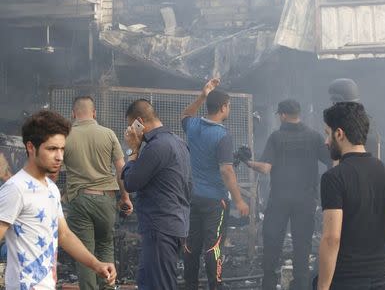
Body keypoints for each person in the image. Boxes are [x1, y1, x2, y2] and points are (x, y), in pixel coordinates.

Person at [0, 110, 116, 289]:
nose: (60, 156)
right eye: (52, 149)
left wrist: (96, 264)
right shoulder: (16, 189)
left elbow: (64, 235)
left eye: (62, 149)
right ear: (31, 147)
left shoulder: (51, 188)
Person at [245, 99, 331, 290]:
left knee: (272, 245)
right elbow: (332, 163)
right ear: (298, 114)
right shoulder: (315, 137)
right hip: (306, 200)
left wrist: (247, 162)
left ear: (282, 115)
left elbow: (266, 168)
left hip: (279, 200)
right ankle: (301, 285)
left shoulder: (276, 137)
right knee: (302, 247)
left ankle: (269, 285)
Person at [316, 102, 385, 290]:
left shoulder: (334, 178)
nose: (326, 141)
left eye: (327, 133)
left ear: (339, 134)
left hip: (347, 281)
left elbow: (331, 239)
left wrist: (322, 287)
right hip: (382, 279)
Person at [182, 79, 250, 290]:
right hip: (215, 201)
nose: (229, 108)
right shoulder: (222, 135)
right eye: (228, 105)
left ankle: (190, 285)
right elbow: (226, 170)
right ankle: (215, 286)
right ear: (223, 107)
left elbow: (185, 115)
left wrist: (202, 95)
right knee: (213, 246)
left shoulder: (193, 126)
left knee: (191, 245)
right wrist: (239, 200)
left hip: (194, 198)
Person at [63, 96, 132, 290]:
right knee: (105, 246)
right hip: (106, 198)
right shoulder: (108, 134)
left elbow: (54, 166)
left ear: (73, 114)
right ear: (94, 113)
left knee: (85, 252)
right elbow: (121, 170)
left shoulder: (65, 136)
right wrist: (125, 197)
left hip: (79, 199)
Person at [121, 99, 191, 289]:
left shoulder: (156, 147)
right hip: (174, 223)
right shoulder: (178, 142)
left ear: (139, 122)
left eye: (131, 126)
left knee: (158, 284)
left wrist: (133, 151)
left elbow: (131, 182)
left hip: (160, 227)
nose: (130, 132)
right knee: (149, 281)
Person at [328, 78, 381, 159]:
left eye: (333, 101)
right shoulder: (366, 120)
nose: (332, 104)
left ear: (338, 101)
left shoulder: (343, 124)